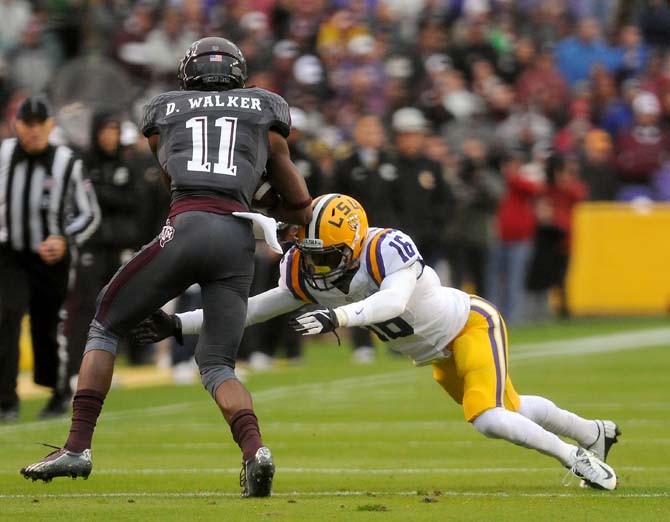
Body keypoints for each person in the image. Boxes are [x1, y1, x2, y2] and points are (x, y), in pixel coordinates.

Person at [134, 193, 621, 491]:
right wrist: (182, 325)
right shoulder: (309, 268)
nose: (320, 264)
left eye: (329, 254)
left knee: (490, 418)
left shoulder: (387, 247)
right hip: (435, 353)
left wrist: (337, 317)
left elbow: (390, 304)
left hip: (470, 327)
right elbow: (253, 308)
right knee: (507, 408)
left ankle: (573, 457)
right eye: (314, 253)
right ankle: (591, 432)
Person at [20, 37, 313, 499]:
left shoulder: (166, 110)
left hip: (190, 224)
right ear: (237, 73)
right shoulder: (264, 109)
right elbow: (298, 203)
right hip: (237, 238)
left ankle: (77, 446)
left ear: (188, 74)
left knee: (105, 322)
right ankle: (254, 450)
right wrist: (266, 199)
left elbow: (174, 179)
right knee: (218, 365)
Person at [0, 95, 100, 421]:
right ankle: (6, 400)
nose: (32, 132)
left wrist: (65, 240)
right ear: (16, 125)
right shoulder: (2, 155)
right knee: (7, 317)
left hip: (51, 259)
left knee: (46, 326)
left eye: (38, 125)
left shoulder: (66, 162)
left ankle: (57, 393)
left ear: (50, 125)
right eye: (26, 125)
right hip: (10, 254)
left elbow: (89, 214)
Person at [65, 111, 146, 385]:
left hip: (119, 246)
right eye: (106, 131)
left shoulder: (127, 163)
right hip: (91, 244)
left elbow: (136, 201)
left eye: (114, 131)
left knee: (115, 310)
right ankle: (77, 370)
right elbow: (84, 199)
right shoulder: (83, 163)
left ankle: (104, 369)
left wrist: (104, 193)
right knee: (86, 307)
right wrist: (113, 195)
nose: (110, 137)